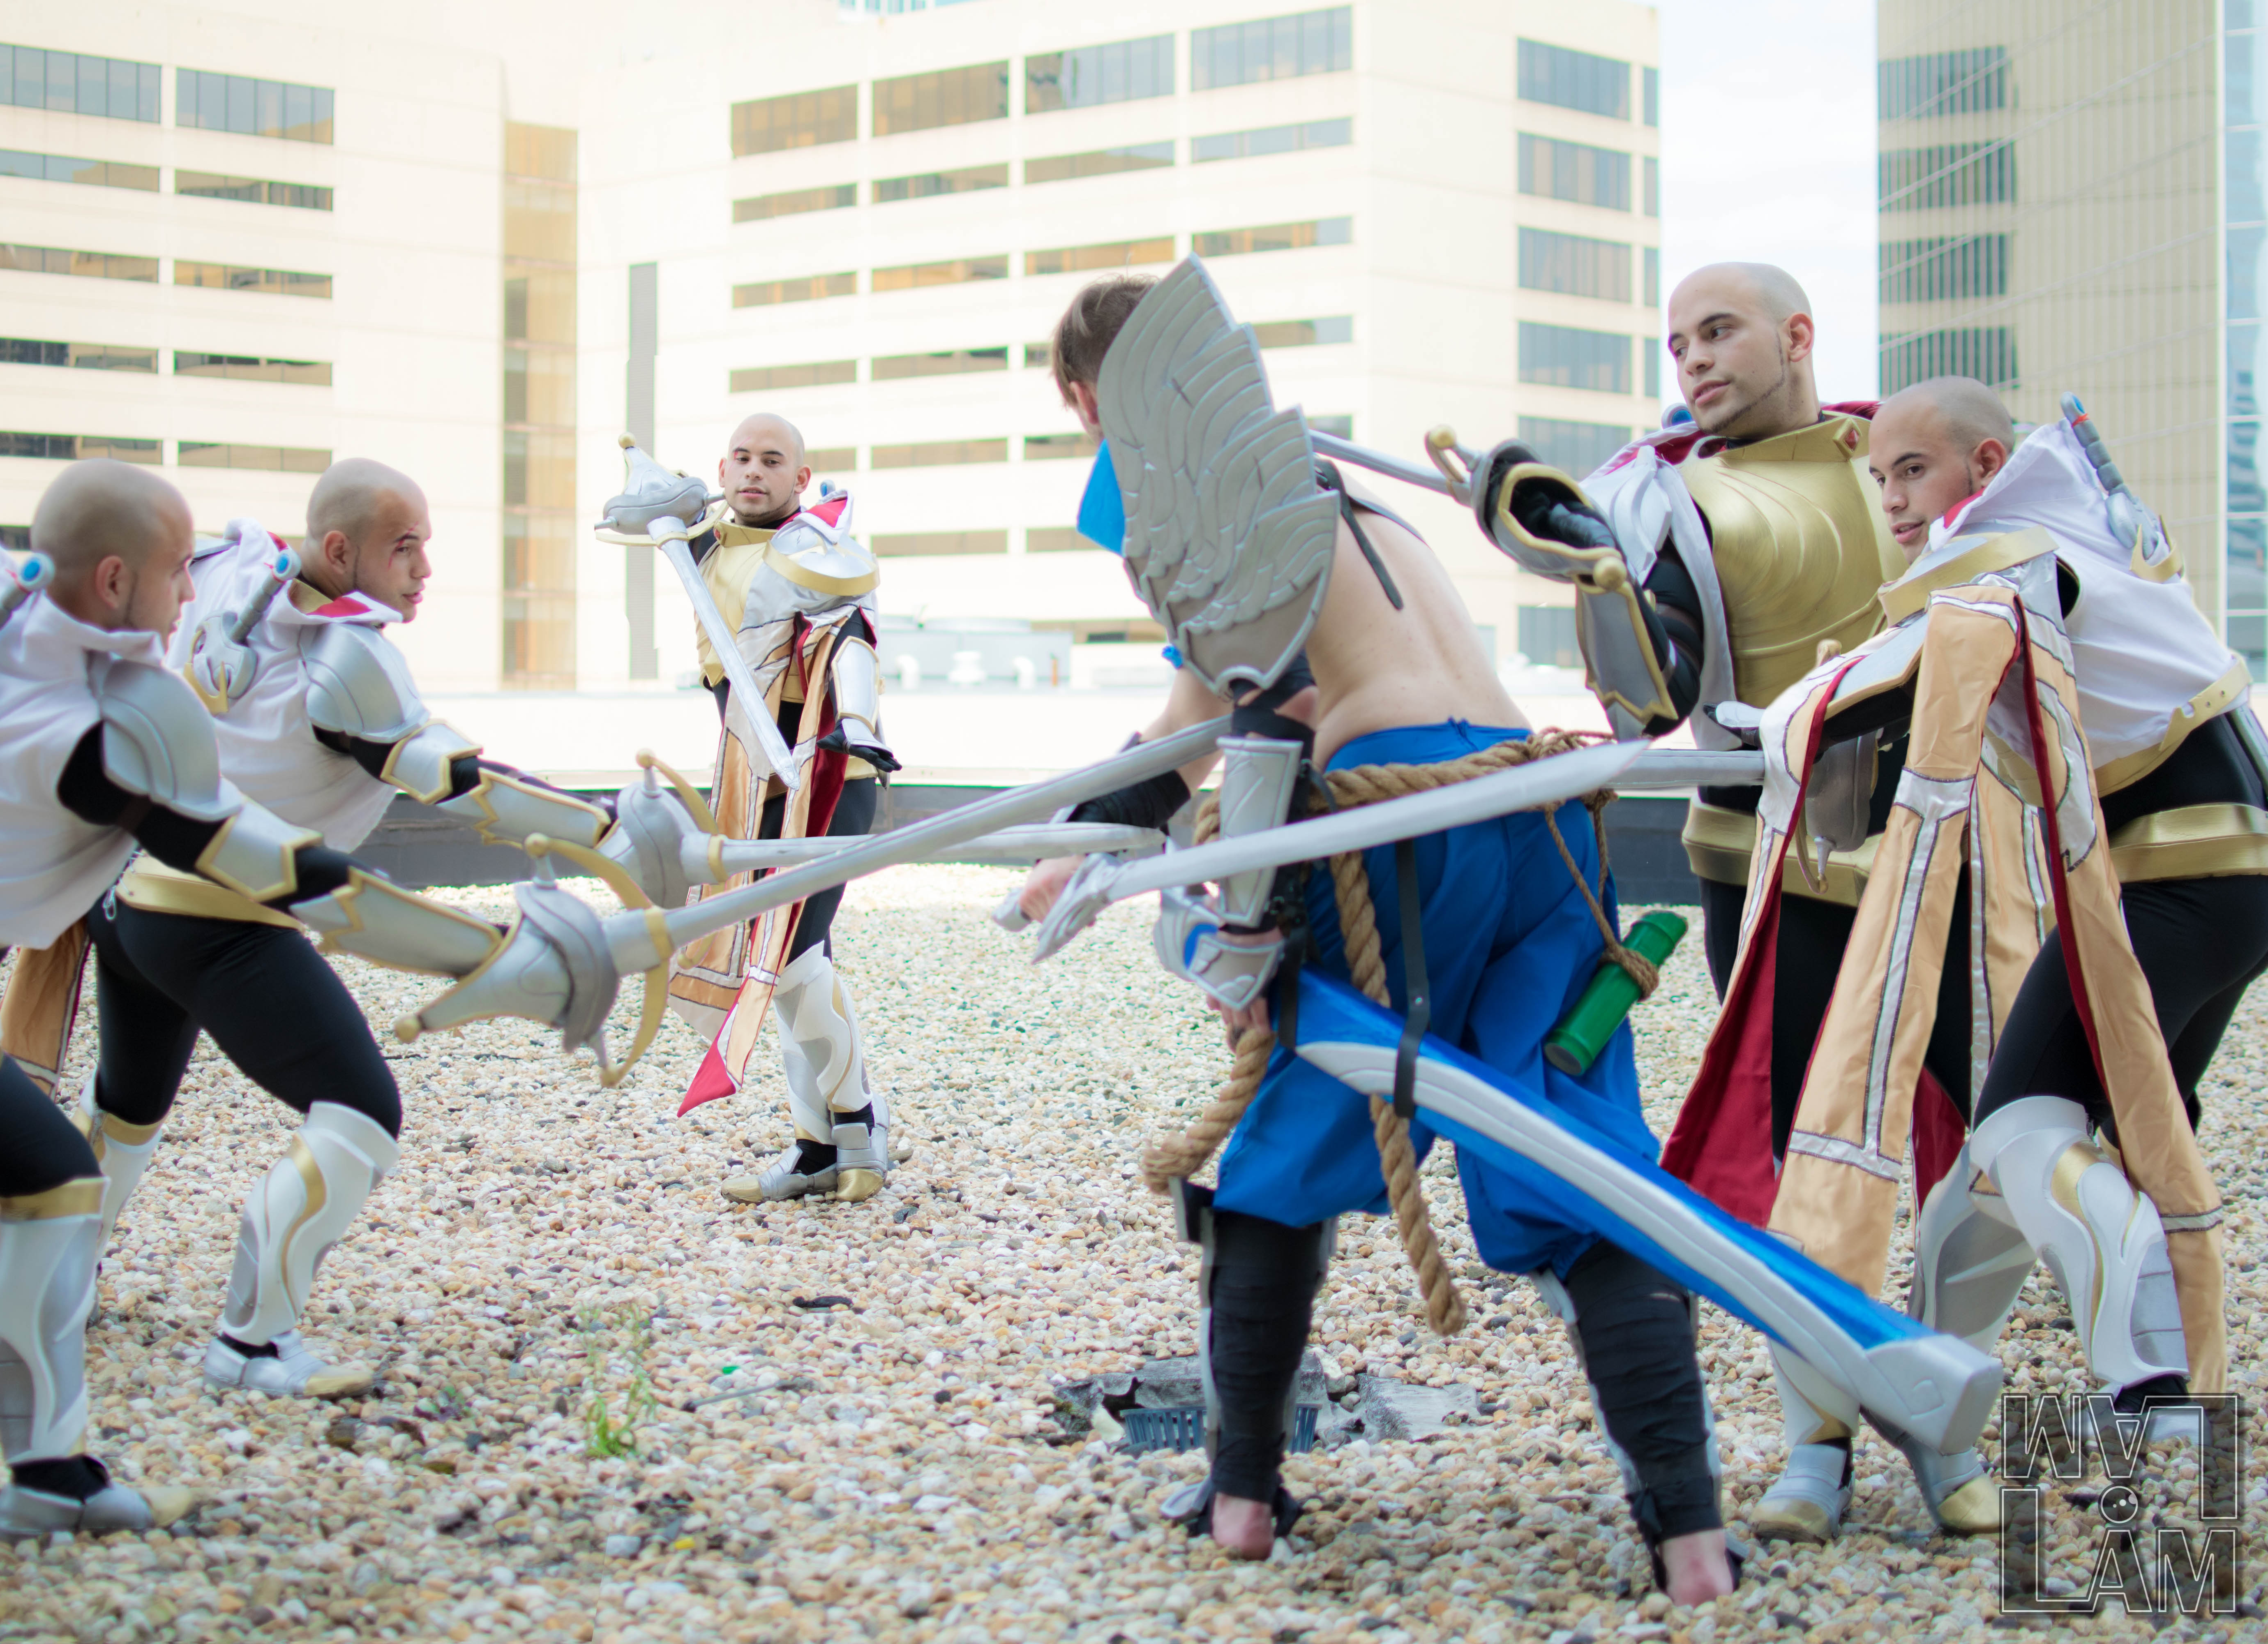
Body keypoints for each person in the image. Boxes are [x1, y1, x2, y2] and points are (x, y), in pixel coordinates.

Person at [1023, 263, 1742, 1605]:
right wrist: (1089, 827)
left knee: (1290, 1144)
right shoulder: (1347, 492)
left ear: (1089, 400)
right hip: (1536, 813)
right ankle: (1690, 1532)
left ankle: (1243, 1497)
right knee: (1578, 1157)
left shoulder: (1192, 493)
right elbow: (1220, 705)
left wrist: (1129, 865)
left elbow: (1246, 718)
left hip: (1406, 825)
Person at [0, 462, 591, 1533]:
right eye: (177, 573)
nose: (190, 597)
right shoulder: (118, 717)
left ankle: (52, 1483)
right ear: (115, 579)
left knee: (55, 1179)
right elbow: (292, 875)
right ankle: (248, 1344)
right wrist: (497, 957)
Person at [1465, 263, 1999, 1538]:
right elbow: (1646, 702)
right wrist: (1597, 572)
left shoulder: (1904, 454)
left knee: (1987, 1154)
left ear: (1797, 335)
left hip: (1957, 842)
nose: (1693, 360)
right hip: (1775, 853)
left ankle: (1949, 1427)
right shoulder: (1669, 501)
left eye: (1718, 332)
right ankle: (1817, 1443)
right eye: (1677, 343)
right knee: (1803, 1151)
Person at [23, 458, 630, 1399]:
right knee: (359, 1110)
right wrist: (611, 829)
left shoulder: (232, 570)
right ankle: (252, 1342)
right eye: (405, 547)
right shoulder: (346, 657)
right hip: (220, 914)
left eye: (425, 546)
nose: (424, 569)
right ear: (340, 549)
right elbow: (458, 784)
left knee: (130, 1105)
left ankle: (52, 1286)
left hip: (131, 901)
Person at [1782, 379, 2252, 1485]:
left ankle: (2155, 1385)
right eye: (1881, 476)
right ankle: (1926, 1382)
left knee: (2023, 1125)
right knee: (2088, 1139)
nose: (1895, 499)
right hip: (2219, 871)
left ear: (1985, 465)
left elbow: (1879, 692)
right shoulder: (2072, 522)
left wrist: (1765, 726)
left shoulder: (2002, 551)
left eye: (1914, 471)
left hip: (2181, 870)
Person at [659, 414, 904, 1204]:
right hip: (753, 778)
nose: (753, 471)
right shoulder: (700, 545)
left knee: (791, 956)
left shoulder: (815, 548)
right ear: (722, 468)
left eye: (772, 460)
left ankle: (855, 1126)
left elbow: (854, 639)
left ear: (801, 478)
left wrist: (856, 728)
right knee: (792, 963)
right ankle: (822, 1146)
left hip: (829, 773)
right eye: (741, 458)